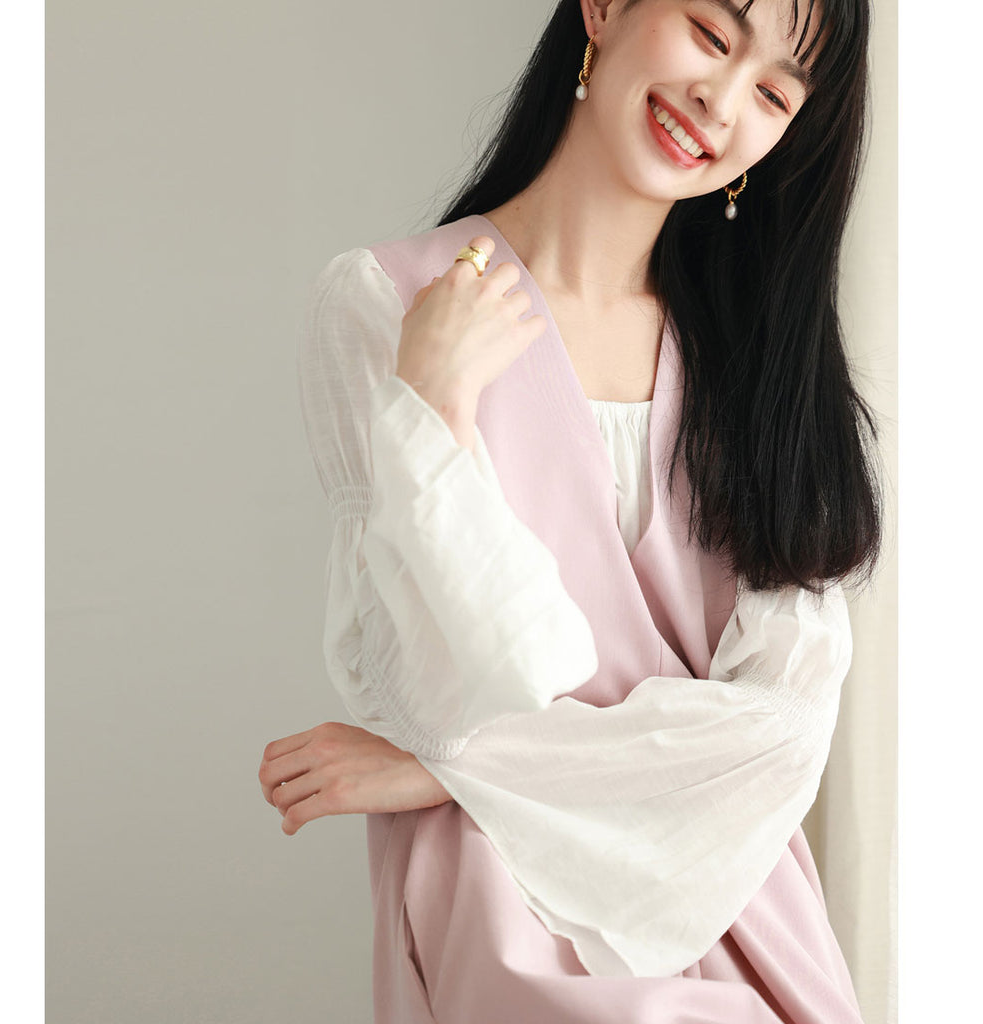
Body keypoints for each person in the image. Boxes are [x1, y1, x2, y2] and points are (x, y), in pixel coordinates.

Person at [258, 0, 882, 1020]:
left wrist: (445, 774)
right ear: (602, 6)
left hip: (737, 900)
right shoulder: (384, 304)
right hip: (504, 904)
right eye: (712, 34)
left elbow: (782, 729)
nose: (721, 103)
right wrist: (435, 407)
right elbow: (455, 685)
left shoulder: (761, 364)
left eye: (773, 94)